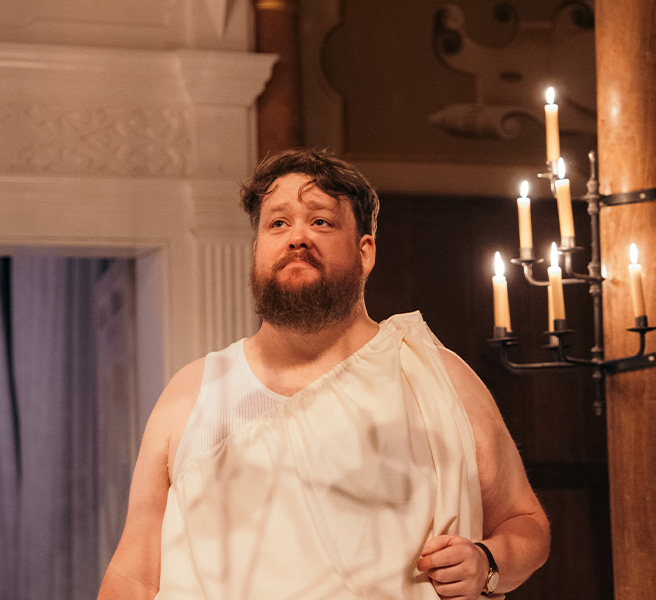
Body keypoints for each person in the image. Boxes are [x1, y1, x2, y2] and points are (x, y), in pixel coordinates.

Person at [98, 148, 550, 599]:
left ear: (365, 251)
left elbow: (524, 522)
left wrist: (487, 563)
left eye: (320, 222)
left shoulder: (436, 375)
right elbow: (134, 575)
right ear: (257, 250)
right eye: (277, 223)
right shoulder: (193, 393)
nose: (297, 237)